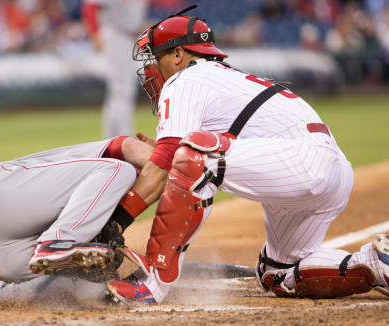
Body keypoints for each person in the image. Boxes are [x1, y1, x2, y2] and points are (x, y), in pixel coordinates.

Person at [102, 7, 389, 303]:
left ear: (178, 55)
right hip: (326, 168)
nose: (151, 68)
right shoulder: (220, 78)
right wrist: (169, 159)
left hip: (304, 161)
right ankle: (377, 266)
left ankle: (152, 282)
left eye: (156, 57)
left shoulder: (185, 79)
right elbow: (172, 161)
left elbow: (175, 162)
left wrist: (115, 222)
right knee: (278, 273)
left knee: (196, 157)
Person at [0, 136, 154, 311]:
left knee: (95, 289)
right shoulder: (108, 164)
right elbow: (127, 146)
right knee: (119, 169)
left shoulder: (85, 196)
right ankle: (58, 241)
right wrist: (165, 158)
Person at [81, 0, 149, 138]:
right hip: (117, 35)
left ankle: (110, 137)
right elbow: (90, 7)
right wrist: (94, 34)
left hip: (131, 37)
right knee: (123, 89)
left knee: (118, 91)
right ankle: (124, 135)